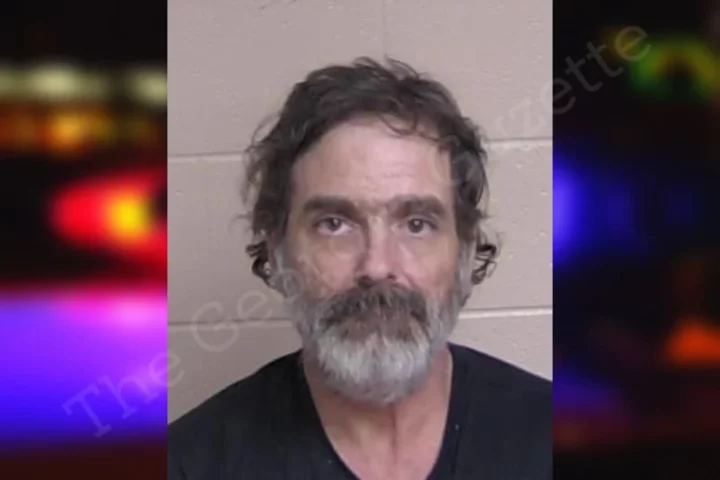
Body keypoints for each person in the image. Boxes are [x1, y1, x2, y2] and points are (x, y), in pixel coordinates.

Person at [168, 57, 552, 480]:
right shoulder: (191, 463)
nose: (377, 266)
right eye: (334, 224)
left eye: (417, 224)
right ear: (277, 252)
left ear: (465, 250)